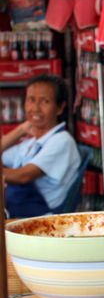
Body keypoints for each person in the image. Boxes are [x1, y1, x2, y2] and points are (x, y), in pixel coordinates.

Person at [2, 73, 81, 218]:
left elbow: (22, 176)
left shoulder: (62, 141)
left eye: (45, 101)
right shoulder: (30, 144)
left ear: (60, 107)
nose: (36, 108)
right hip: (19, 214)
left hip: (43, 219)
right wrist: (20, 130)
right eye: (31, 100)